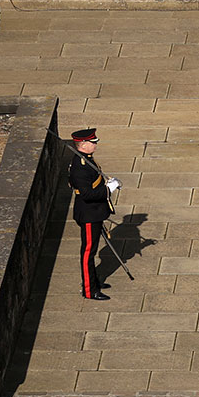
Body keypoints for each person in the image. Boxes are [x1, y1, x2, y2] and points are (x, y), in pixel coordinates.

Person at [68, 128, 121, 301]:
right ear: (83, 144)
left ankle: (94, 281)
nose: (95, 144)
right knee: (88, 253)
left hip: (95, 212)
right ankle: (89, 290)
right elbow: (87, 194)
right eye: (92, 142)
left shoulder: (87, 160)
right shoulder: (80, 167)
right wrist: (108, 190)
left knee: (90, 251)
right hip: (89, 214)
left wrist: (107, 184)